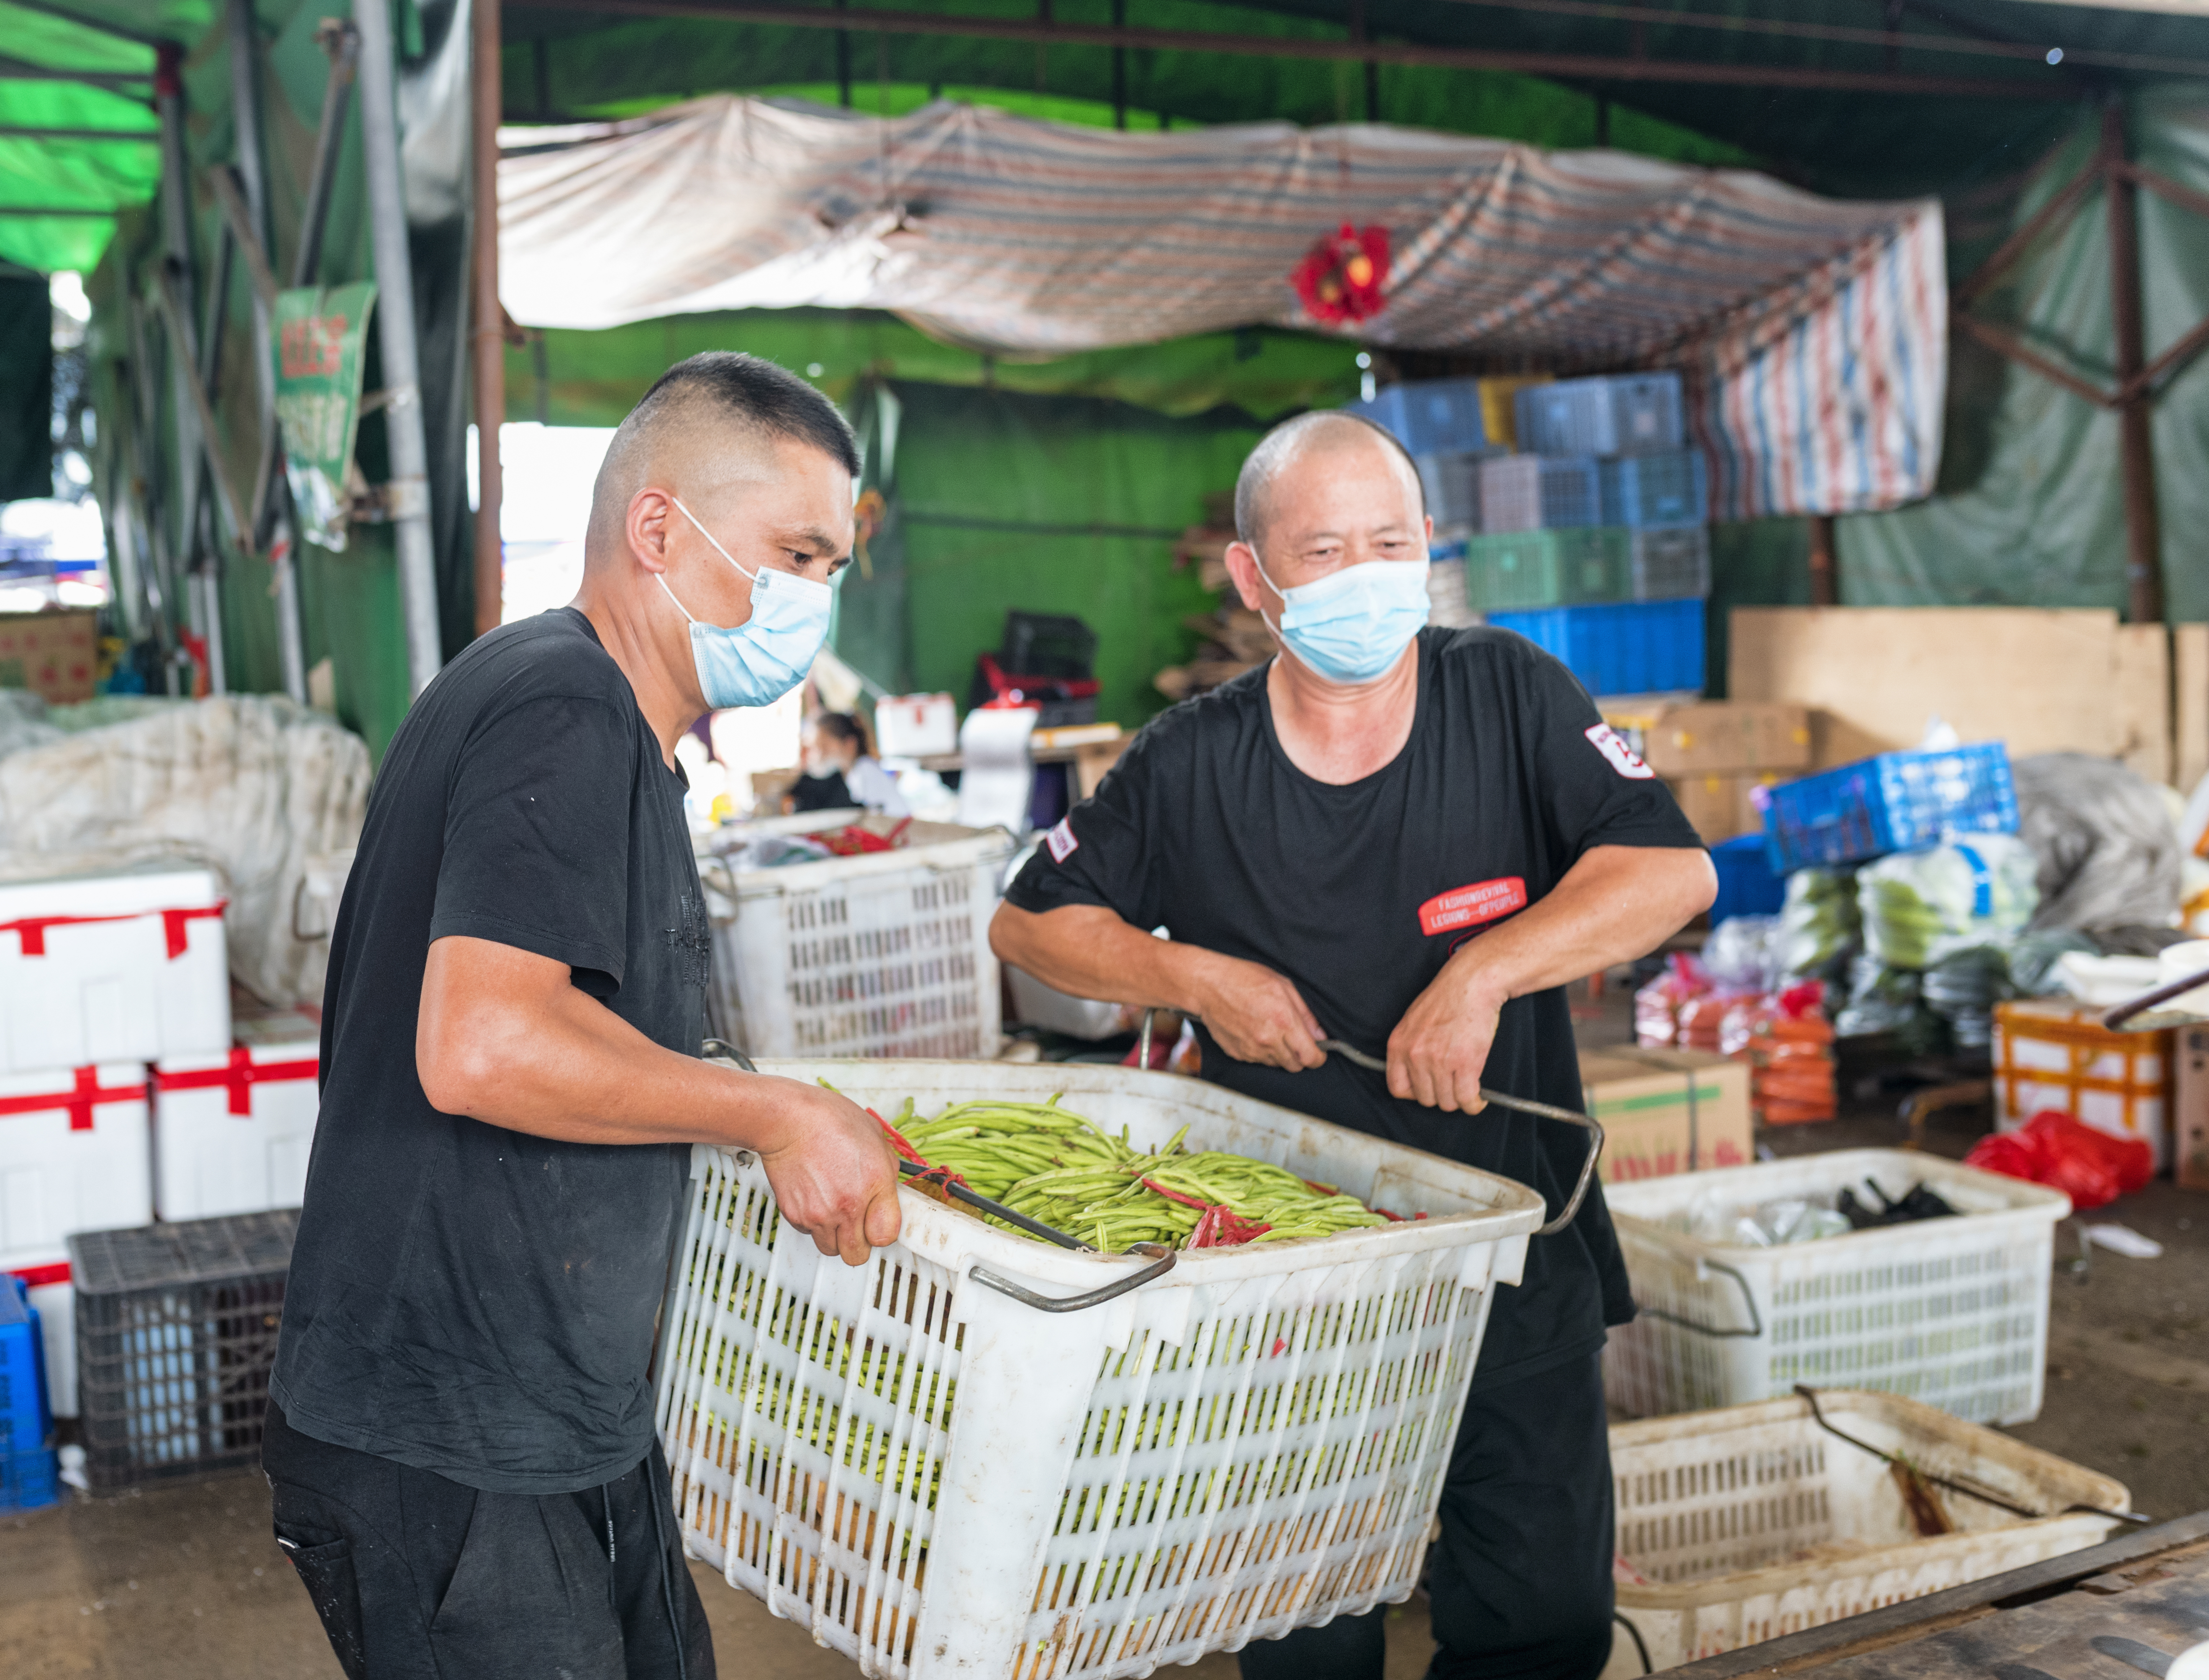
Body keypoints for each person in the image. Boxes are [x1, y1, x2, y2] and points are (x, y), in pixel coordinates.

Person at [989, 409, 1714, 1680]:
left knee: (1540, 1623)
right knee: (1304, 1642)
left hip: (1510, 1250)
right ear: (1254, 577)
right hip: (1290, 1294)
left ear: (1430, 543)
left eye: (1391, 540)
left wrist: (1483, 972)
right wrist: (1190, 976)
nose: (1367, 573)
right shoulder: (1189, 760)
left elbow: (1669, 872)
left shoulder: (1509, 695)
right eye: (1324, 550)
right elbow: (1029, 922)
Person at [264, 352, 905, 1680]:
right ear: (657, 528)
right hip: (447, 1439)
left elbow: (573, 1031)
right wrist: (775, 1113)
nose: (811, 600)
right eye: (792, 553)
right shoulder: (561, 703)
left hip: (557, 1418)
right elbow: (483, 1042)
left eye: (831, 567)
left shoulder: (610, 733)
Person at [790, 709, 910, 815]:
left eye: (825, 747)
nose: (818, 755)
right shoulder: (849, 777)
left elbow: (877, 817)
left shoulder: (865, 769)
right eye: (815, 748)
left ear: (850, 744)